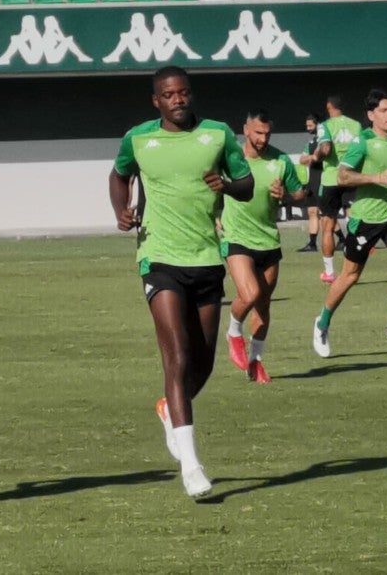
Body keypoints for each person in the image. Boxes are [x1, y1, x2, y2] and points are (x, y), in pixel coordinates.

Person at [108, 66, 254, 499]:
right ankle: (191, 466)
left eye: (184, 92)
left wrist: (225, 185)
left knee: (202, 362)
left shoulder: (218, 134)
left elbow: (246, 185)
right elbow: (119, 174)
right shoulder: (138, 138)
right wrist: (121, 211)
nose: (178, 100)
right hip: (159, 259)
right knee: (176, 356)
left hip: (206, 257)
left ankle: (169, 409)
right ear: (157, 101)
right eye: (169, 94)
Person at [311, 89, 387, 357]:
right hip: (366, 219)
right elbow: (342, 177)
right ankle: (322, 323)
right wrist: (377, 178)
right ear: (371, 115)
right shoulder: (362, 142)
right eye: (384, 110)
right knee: (350, 276)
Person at [222, 113, 306, 384]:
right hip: (237, 237)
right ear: (246, 130)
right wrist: (213, 217)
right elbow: (211, 186)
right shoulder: (230, 158)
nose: (263, 138)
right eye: (258, 133)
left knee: (263, 305)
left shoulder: (280, 160)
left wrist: (286, 196)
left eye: (267, 133)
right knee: (250, 294)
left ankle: (255, 361)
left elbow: (299, 193)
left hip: (268, 240)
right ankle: (233, 332)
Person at [313, 95, 363, 283]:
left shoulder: (325, 125)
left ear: (329, 107)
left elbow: (325, 148)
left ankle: (329, 272)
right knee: (353, 223)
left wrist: (317, 155)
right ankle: (351, 268)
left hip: (331, 180)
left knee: (327, 226)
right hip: (350, 177)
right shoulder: (356, 125)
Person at [297, 113, 324, 253]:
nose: (308, 128)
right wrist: (313, 157)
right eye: (307, 126)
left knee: (325, 213)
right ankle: (312, 244)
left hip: (323, 180)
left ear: (318, 125)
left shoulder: (325, 140)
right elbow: (302, 160)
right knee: (312, 211)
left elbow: (321, 156)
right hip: (312, 180)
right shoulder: (311, 142)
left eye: (310, 125)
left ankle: (342, 239)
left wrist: (312, 158)